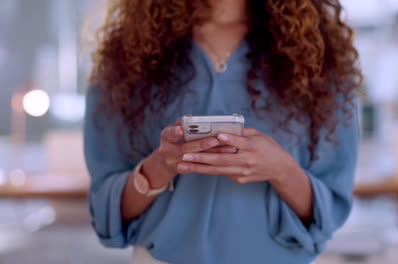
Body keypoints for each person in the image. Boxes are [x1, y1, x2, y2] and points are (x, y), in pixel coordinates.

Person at [84, 0, 362, 263]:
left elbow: (329, 212)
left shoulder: (320, 54)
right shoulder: (128, 55)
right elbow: (107, 213)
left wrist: (281, 169)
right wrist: (159, 167)